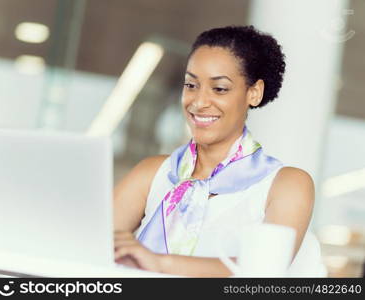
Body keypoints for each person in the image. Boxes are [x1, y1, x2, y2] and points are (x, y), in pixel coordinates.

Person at [113, 25, 326, 277]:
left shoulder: (285, 184)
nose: (199, 102)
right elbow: (90, 245)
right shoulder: (152, 173)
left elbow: (263, 272)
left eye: (220, 89)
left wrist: (160, 263)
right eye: (191, 85)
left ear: (254, 93)